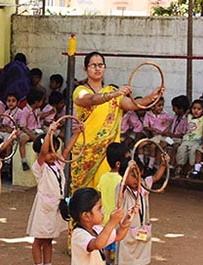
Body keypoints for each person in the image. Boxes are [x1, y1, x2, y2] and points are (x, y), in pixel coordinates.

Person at [70, 51, 163, 194]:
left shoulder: (113, 92)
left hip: (109, 152)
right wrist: (112, 95)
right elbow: (90, 99)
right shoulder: (80, 91)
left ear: (105, 68)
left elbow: (132, 104)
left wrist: (151, 97)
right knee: (83, 194)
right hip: (85, 151)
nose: (97, 68)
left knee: (108, 191)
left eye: (100, 65)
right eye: (93, 65)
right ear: (85, 69)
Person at [113, 152, 169, 265]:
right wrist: (127, 172)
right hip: (125, 231)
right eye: (132, 176)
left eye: (138, 174)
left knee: (134, 261)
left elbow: (156, 177)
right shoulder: (121, 189)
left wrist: (164, 163)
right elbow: (123, 185)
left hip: (139, 231)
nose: (136, 179)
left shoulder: (143, 185)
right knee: (119, 261)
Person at [27, 123, 71, 265]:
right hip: (44, 209)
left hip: (55, 208)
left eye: (55, 151)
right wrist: (50, 132)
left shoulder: (58, 165)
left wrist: (78, 133)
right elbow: (44, 152)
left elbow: (67, 150)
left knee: (49, 239)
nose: (53, 155)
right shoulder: (39, 168)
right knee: (39, 239)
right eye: (50, 152)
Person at [175, 99, 203, 177]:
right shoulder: (189, 117)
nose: (196, 111)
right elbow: (187, 112)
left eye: (199, 109)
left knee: (193, 151)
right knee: (181, 149)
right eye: (194, 108)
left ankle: (191, 168)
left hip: (197, 140)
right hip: (187, 139)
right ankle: (179, 167)